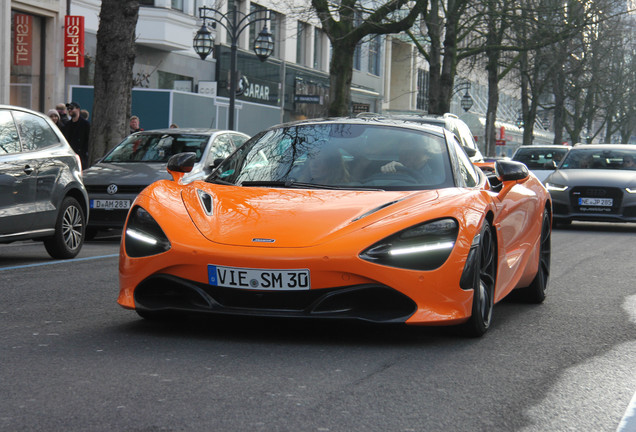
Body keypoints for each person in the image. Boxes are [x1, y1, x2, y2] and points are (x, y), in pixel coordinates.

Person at [62, 101, 91, 168]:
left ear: (78, 109)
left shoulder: (85, 124)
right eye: (68, 109)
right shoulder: (67, 125)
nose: (69, 110)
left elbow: (88, 140)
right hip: (70, 156)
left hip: (81, 157)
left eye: (71, 108)